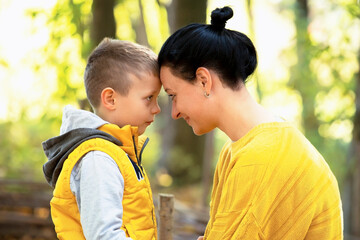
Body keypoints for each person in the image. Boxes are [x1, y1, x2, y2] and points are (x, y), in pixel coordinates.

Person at [158, 6, 343, 240]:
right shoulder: (238, 150)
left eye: (173, 95)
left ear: (204, 81)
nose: (174, 112)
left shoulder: (264, 156)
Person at [42, 38, 161, 240]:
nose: (157, 108)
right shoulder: (98, 158)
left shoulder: (117, 153)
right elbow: (104, 236)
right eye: (149, 98)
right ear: (111, 99)